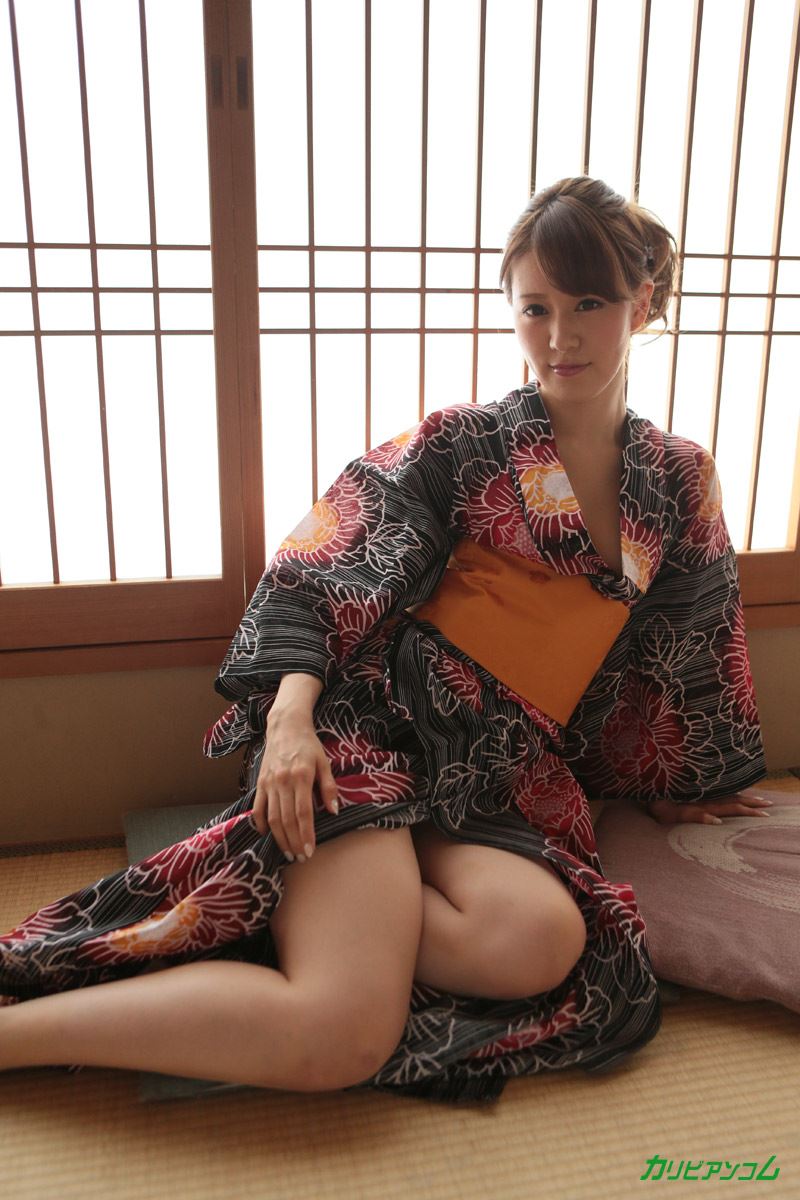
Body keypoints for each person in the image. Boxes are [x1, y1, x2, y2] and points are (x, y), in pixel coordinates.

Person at [0, 176, 767, 1104]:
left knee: (545, 942)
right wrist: (290, 722)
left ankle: (302, 921)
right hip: (372, 731)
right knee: (341, 1033)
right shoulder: (462, 442)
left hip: (499, 773)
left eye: (589, 306)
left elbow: (690, 636)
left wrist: (690, 783)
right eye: (536, 308)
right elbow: (329, 564)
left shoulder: (679, 478)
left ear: (640, 304)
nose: (559, 336)